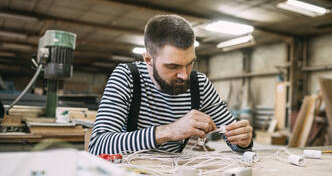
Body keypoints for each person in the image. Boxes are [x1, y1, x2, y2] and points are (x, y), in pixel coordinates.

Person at [89, 14, 253, 155]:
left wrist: (242, 141)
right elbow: (98, 146)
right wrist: (169, 131)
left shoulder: (200, 84)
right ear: (148, 59)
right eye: (173, 66)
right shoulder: (127, 77)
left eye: (190, 63)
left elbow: (236, 142)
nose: (184, 75)